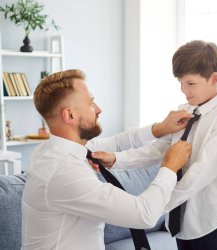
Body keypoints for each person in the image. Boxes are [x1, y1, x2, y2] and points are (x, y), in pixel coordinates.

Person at [93, 40, 217, 250]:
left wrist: (155, 206)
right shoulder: (184, 110)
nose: (183, 90)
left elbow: (199, 175)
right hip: (182, 221)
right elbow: (158, 149)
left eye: (190, 83)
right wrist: (117, 160)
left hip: (209, 220)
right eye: (180, 82)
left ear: (214, 79)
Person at [22, 69, 193, 249]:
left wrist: (161, 128)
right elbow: (144, 214)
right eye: (91, 103)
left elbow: (119, 142)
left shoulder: (54, 150)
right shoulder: (63, 171)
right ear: (70, 115)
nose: (98, 109)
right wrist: (169, 167)